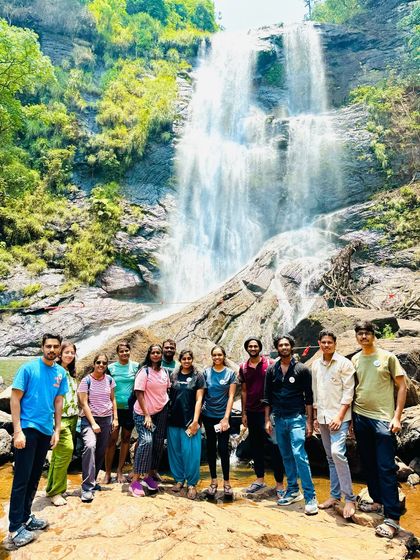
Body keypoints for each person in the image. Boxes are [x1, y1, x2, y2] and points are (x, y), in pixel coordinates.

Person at [8, 333, 68, 548]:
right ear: (42, 347)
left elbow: (59, 401)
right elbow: (15, 398)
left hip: (45, 430)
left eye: (56, 347)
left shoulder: (60, 373)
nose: (52, 349)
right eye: (48, 346)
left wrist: (57, 430)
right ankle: (15, 528)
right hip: (27, 428)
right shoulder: (28, 368)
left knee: (34, 478)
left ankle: (26, 517)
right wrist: (17, 431)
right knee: (21, 479)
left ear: (60, 349)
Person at [352, 320, 407, 538]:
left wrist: (397, 417)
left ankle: (392, 518)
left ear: (374, 335)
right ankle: (376, 501)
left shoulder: (387, 357)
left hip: (383, 419)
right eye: (360, 334)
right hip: (360, 416)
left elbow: (402, 386)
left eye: (367, 333)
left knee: (385, 467)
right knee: (368, 462)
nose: (363, 337)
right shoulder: (355, 358)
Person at [264, 334, 318, 515]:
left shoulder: (302, 369)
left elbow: (309, 398)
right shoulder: (272, 371)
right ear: (277, 348)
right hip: (279, 419)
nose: (284, 347)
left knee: (299, 454)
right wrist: (266, 420)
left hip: (297, 418)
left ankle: (310, 496)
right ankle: (294, 490)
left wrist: (310, 422)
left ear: (292, 347)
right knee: (286, 455)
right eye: (281, 345)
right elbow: (267, 398)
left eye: (287, 344)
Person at [311, 330, 356, 518]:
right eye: (323, 342)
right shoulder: (315, 365)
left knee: (338, 453)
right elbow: (315, 392)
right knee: (330, 457)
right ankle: (334, 496)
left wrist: (339, 417)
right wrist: (314, 416)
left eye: (330, 342)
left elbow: (348, 393)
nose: (327, 345)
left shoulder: (344, 364)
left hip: (340, 418)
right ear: (319, 343)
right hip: (322, 417)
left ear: (335, 344)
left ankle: (350, 498)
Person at [239, 337, 284, 495]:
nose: (252, 348)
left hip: (269, 412)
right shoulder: (243, 367)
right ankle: (259, 479)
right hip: (251, 411)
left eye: (255, 346)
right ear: (247, 348)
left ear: (259, 348)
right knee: (255, 446)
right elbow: (244, 390)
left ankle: (279, 484)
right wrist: (243, 413)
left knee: (275, 446)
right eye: (250, 346)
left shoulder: (270, 364)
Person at [130, 343, 170, 497]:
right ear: (149, 354)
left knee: (158, 442)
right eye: (153, 352)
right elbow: (139, 393)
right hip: (143, 413)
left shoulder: (164, 371)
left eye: (158, 352)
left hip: (161, 411)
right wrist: (147, 415)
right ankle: (135, 480)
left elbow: (165, 390)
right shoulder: (144, 371)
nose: (155, 355)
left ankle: (148, 476)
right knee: (147, 441)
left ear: (161, 355)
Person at [78, 353, 118, 503]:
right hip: (89, 420)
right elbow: (83, 403)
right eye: (98, 362)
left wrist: (115, 418)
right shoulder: (86, 381)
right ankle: (87, 488)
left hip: (106, 419)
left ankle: (93, 482)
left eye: (104, 363)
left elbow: (112, 399)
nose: (101, 365)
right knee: (90, 446)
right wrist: (93, 423)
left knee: (101, 451)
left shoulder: (109, 380)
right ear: (94, 364)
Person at [167, 349, 205, 499]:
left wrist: (196, 421)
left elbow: (199, 399)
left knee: (191, 453)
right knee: (175, 451)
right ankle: (179, 480)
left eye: (189, 358)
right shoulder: (174, 375)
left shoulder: (198, 376)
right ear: (180, 360)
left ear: (192, 359)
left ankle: (192, 483)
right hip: (173, 419)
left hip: (190, 420)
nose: (187, 361)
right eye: (184, 358)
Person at [46, 341, 79, 506]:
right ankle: (56, 492)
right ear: (60, 353)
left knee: (57, 456)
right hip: (60, 419)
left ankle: (51, 488)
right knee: (67, 451)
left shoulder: (71, 372)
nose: (69, 355)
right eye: (66, 352)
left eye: (72, 352)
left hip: (73, 417)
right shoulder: (55, 371)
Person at [202, 345, 237, 497]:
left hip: (222, 418)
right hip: (208, 416)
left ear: (224, 356)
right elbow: (202, 395)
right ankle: (213, 481)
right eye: (214, 355)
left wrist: (226, 418)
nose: (217, 358)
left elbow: (231, 397)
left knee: (223, 449)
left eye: (219, 355)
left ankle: (227, 482)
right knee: (210, 448)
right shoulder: (206, 373)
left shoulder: (230, 373)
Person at [104, 341, 138, 483]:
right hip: (114, 409)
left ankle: (119, 470)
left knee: (125, 439)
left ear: (130, 351)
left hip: (130, 409)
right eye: (121, 351)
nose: (124, 353)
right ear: (118, 353)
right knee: (111, 440)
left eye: (126, 350)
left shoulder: (136, 366)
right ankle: (107, 472)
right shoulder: (111, 368)